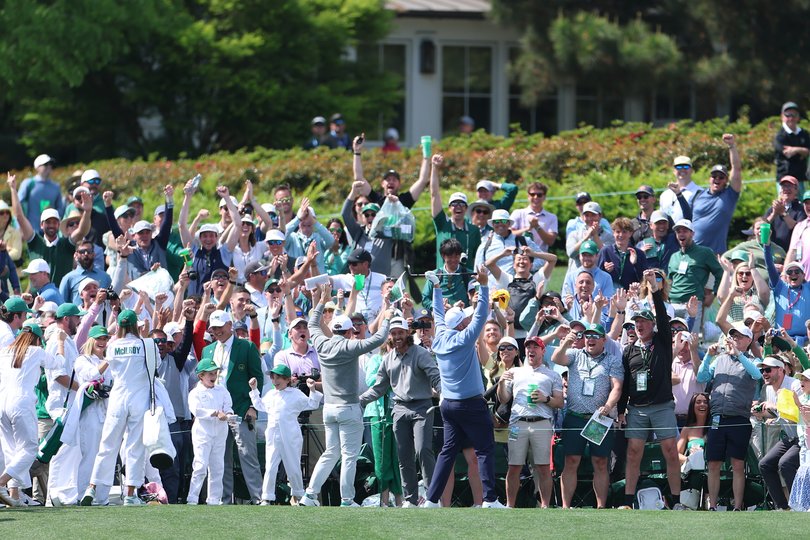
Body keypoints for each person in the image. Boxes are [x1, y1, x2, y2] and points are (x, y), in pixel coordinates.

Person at [299, 283, 392, 507]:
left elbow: (313, 323)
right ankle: (347, 499)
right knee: (348, 455)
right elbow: (379, 339)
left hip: (328, 409)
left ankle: (310, 495)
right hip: (349, 408)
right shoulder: (350, 346)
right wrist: (387, 316)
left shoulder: (321, 343)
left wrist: (321, 299)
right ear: (350, 332)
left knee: (330, 453)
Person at [422, 265, 506, 508]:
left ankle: (431, 499)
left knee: (447, 452)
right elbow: (480, 316)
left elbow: (438, 313)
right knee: (484, 450)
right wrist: (483, 284)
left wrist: (436, 287)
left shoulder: (439, 337)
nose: (469, 321)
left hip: (448, 405)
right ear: (460, 325)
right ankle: (490, 499)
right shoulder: (464, 337)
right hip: (470, 404)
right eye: (465, 320)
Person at [618, 270, 685, 510]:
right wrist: (620, 409)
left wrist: (654, 288)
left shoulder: (663, 341)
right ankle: (628, 501)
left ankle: (676, 500)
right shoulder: (628, 350)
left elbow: (662, 315)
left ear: (652, 324)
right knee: (634, 452)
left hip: (662, 406)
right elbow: (625, 382)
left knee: (670, 450)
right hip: (637, 408)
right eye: (637, 323)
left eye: (644, 322)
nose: (639, 325)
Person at [80, 310, 160, 506]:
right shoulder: (147, 345)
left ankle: (94, 488)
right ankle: (131, 494)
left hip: (117, 398)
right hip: (138, 399)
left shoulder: (113, 346)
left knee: (107, 445)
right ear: (136, 326)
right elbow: (155, 367)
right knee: (134, 447)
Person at [360, 317, 442, 508]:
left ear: (407, 333)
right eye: (394, 333)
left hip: (422, 406)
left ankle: (431, 497)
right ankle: (411, 499)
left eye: (400, 332)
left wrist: (443, 394)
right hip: (399, 408)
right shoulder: (388, 359)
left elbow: (435, 376)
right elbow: (378, 388)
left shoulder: (420, 353)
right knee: (403, 455)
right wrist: (359, 400)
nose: (397, 336)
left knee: (423, 450)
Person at [552, 322, 623, 509]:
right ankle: (566, 506)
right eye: (587, 336)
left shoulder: (612, 360)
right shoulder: (575, 354)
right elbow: (556, 358)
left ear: (603, 339)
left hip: (599, 418)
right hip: (575, 416)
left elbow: (617, 387)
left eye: (594, 336)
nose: (590, 339)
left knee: (600, 462)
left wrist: (608, 405)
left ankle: (600, 507)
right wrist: (566, 343)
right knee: (571, 460)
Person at [200, 309, 264, 504]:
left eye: (220, 327)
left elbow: (257, 378)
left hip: (241, 409)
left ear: (230, 325)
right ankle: (225, 500)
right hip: (217, 413)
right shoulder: (208, 350)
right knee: (221, 458)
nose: (217, 331)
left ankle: (259, 498)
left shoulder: (246, 346)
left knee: (247, 455)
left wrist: (253, 406)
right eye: (214, 328)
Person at [696, 328, 762, 511]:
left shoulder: (752, 360)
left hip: (739, 418)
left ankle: (738, 506)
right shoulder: (719, 360)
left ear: (748, 340)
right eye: (733, 336)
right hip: (718, 417)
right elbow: (701, 377)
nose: (734, 339)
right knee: (714, 463)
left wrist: (739, 355)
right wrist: (708, 357)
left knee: (738, 464)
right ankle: (713, 506)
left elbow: (757, 374)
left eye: (739, 337)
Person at [497, 336, 563, 508]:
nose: (531, 350)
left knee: (543, 467)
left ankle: (545, 506)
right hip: (518, 423)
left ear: (543, 351)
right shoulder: (515, 372)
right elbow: (503, 399)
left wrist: (545, 398)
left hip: (542, 423)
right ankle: (510, 506)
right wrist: (502, 381)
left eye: (536, 347)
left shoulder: (552, 374)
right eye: (528, 347)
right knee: (514, 467)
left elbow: (560, 402)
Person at [0, 322, 60, 507]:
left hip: (2, 402)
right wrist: (61, 344)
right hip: (22, 403)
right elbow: (58, 364)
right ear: (35, 338)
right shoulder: (35, 351)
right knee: (29, 449)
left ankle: (15, 495)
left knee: (12, 449)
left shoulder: (3, 352)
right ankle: (1, 484)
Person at [249, 364, 321, 506]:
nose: (275, 381)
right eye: (273, 377)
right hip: (273, 435)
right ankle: (267, 497)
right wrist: (254, 389)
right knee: (270, 465)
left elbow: (312, 404)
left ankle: (299, 495)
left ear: (287, 380)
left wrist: (312, 389)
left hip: (290, 435)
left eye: (278, 378)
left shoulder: (296, 394)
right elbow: (259, 405)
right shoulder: (270, 394)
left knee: (293, 466)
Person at [8, 173, 92, 285]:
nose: (51, 225)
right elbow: (19, 217)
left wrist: (87, 211)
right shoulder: (35, 242)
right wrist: (13, 189)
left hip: (62, 299)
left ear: (59, 224)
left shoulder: (66, 244)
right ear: (41, 225)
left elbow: (82, 231)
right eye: (48, 222)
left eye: (54, 222)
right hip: (37, 298)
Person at [752, 355, 802, 510]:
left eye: (768, 369)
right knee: (765, 464)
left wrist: (773, 407)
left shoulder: (794, 385)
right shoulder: (768, 388)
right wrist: (761, 412)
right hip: (790, 437)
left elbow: (799, 414)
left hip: (803, 437)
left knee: (785, 464)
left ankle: (799, 505)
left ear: (781, 370)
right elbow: (777, 414)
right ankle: (783, 507)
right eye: (762, 370)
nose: (764, 373)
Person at [72, 325, 113, 505]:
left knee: (107, 456)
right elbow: (93, 375)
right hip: (89, 412)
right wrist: (110, 358)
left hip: (107, 411)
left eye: (105, 339)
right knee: (90, 454)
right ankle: (82, 494)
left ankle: (102, 497)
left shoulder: (108, 361)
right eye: (99, 339)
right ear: (91, 340)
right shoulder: (82, 360)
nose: (102, 342)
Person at [186, 358, 234, 506]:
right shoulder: (195, 393)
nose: (213, 376)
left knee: (217, 467)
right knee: (200, 466)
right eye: (210, 374)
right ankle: (192, 499)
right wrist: (215, 413)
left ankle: (214, 500)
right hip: (203, 433)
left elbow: (228, 407)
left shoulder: (222, 390)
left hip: (220, 432)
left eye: (215, 373)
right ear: (201, 376)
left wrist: (229, 415)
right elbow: (196, 411)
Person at [690, 134, 743, 253]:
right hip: (694, 251)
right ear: (709, 178)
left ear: (726, 180)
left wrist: (731, 146)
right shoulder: (697, 195)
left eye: (721, 177)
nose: (717, 179)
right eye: (714, 176)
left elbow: (737, 169)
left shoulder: (730, 195)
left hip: (716, 254)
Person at [667, 219, 723, 331]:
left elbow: (720, 272)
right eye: (678, 231)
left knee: (691, 339)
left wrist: (713, 293)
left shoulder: (705, 252)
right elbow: (669, 281)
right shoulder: (674, 256)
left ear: (692, 233)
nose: (681, 234)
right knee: (671, 340)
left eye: (685, 231)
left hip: (693, 303)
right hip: (672, 303)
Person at [430, 154, 480, 274]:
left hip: (465, 279)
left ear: (466, 208)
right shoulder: (442, 224)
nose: (458, 207)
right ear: (449, 208)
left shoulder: (474, 230)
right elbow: (434, 194)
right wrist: (434, 168)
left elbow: (477, 257)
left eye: (461, 204)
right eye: (454, 204)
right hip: (443, 277)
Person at [17, 154, 65, 234]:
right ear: (37, 167)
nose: (49, 167)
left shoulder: (56, 187)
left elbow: (60, 208)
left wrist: (53, 212)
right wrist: (20, 227)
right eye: (45, 164)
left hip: (51, 233)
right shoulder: (28, 184)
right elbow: (18, 205)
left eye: (50, 164)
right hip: (31, 231)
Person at [59, 240, 113, 304]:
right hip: (78, 313)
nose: (86, 254)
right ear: (76, 255)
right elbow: (61, 304)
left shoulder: (105, 277)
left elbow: (110, 301)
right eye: (82, 252)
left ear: (93, 254)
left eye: (89, 251)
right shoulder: (68, 278)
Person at [787, 368, 810, 511]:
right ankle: (804, 505)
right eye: (801, 379)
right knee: (804, 473)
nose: (802, 382)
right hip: (804, 441)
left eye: (806, 379)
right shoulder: (802, 399)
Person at [764, 175, 806, 252]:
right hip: (774, 252)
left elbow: (798, 229)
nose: (786, 189)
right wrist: (774, 214)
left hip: (793, 252)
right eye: (784, 186)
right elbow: (763, 228)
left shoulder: (801, 209)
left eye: (789, 186)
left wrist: (783, 213)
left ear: (796, 190)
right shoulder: (772, 209)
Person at [774, 101, 810, 185]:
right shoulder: (779, 136)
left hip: (801, 178)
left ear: (798, 117)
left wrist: (795, 150)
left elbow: (808, 152)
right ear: (782, 117)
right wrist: (802, 151)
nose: (791, 118)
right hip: (784, 180)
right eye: (787, 115)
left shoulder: (804, 134)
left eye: (794, 115)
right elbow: (787, 153)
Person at [660, 156, 701, 222]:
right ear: (674, 171)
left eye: (686, 167)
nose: (682, 169)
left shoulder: (699, 192)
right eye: (678, 167)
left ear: (692, 170)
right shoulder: (665, 195)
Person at [676, 392, 710, 465]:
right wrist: (690, 460)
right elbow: (676, 454)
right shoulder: (687, 429)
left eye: (705, 402)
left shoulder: (714, 427)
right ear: (692, 406)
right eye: (698, 402)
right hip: (693, 469)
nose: (702, 404)